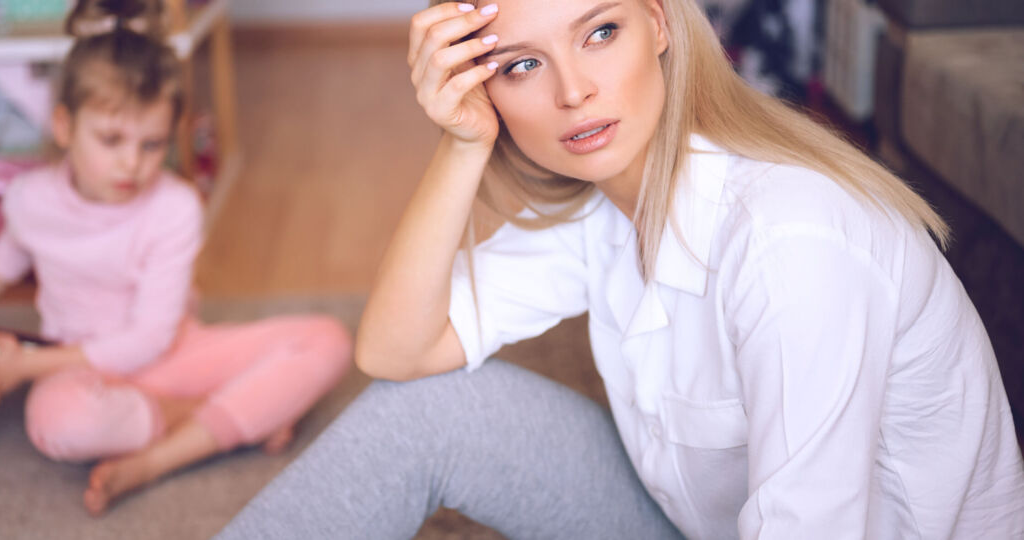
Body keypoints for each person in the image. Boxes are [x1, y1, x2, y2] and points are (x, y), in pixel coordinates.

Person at [216, 0, 1024, 538]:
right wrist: (462, 142)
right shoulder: (602, 205)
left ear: (661, 24)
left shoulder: (791, 242)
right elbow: (396, 352)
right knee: (424, 409)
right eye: (520, 66)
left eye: (600, 32)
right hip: (697, 520)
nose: (574, 91)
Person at [0, 0, 352, 516]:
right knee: (58, 423)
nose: (131, 163)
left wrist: (25, 366)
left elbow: (150, 337)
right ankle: (229, 413)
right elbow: (12, 248)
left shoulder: (175, 206)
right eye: (111, 140)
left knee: (329, 341)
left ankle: (156, 459)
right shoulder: (29, 197)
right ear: (63, 125)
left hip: (172, 352)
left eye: (152, 145)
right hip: (78, 364)